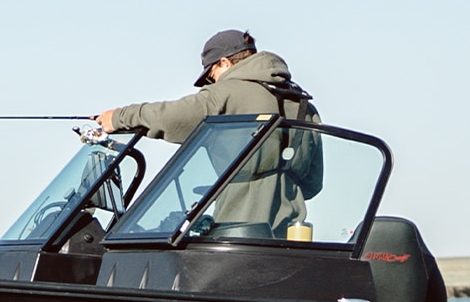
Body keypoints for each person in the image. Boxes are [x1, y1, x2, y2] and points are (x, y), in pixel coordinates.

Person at [95, 29, 321, 237]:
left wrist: (119, 117)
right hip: (291, 238)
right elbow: (313, 183)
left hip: (237, 237)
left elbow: (172, 116)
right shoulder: (304, 105)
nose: (212, 81)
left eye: (212, 74)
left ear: (224, 61)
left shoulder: (226, 92)